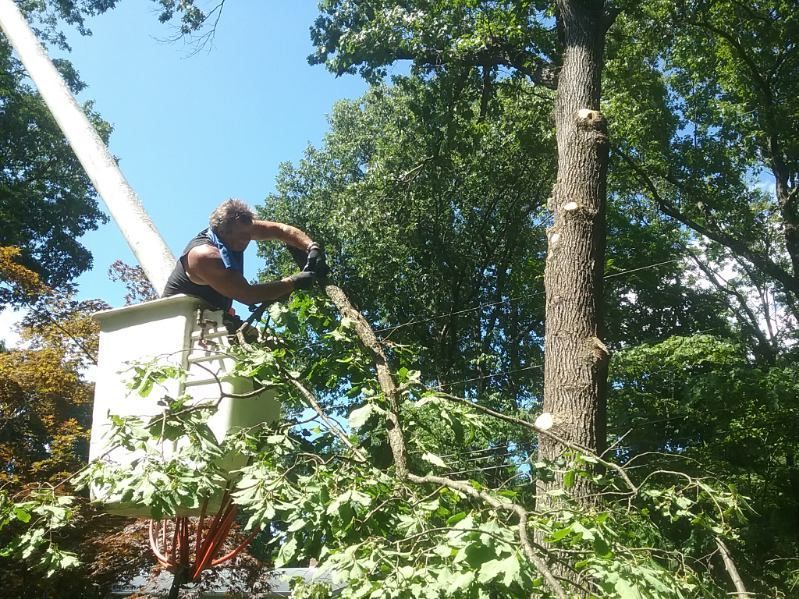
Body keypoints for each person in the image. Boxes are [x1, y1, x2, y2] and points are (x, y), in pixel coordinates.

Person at [162, 199, 323, 316]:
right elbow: (248, 295)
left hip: (211, 315)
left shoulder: (241, 229)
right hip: (178, 319)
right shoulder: (204, 256)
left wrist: (311, 247)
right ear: (223, 232)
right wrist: (293, 282)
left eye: (248, 235)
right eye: (241, 237)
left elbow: (281, 230)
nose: (246, 241)